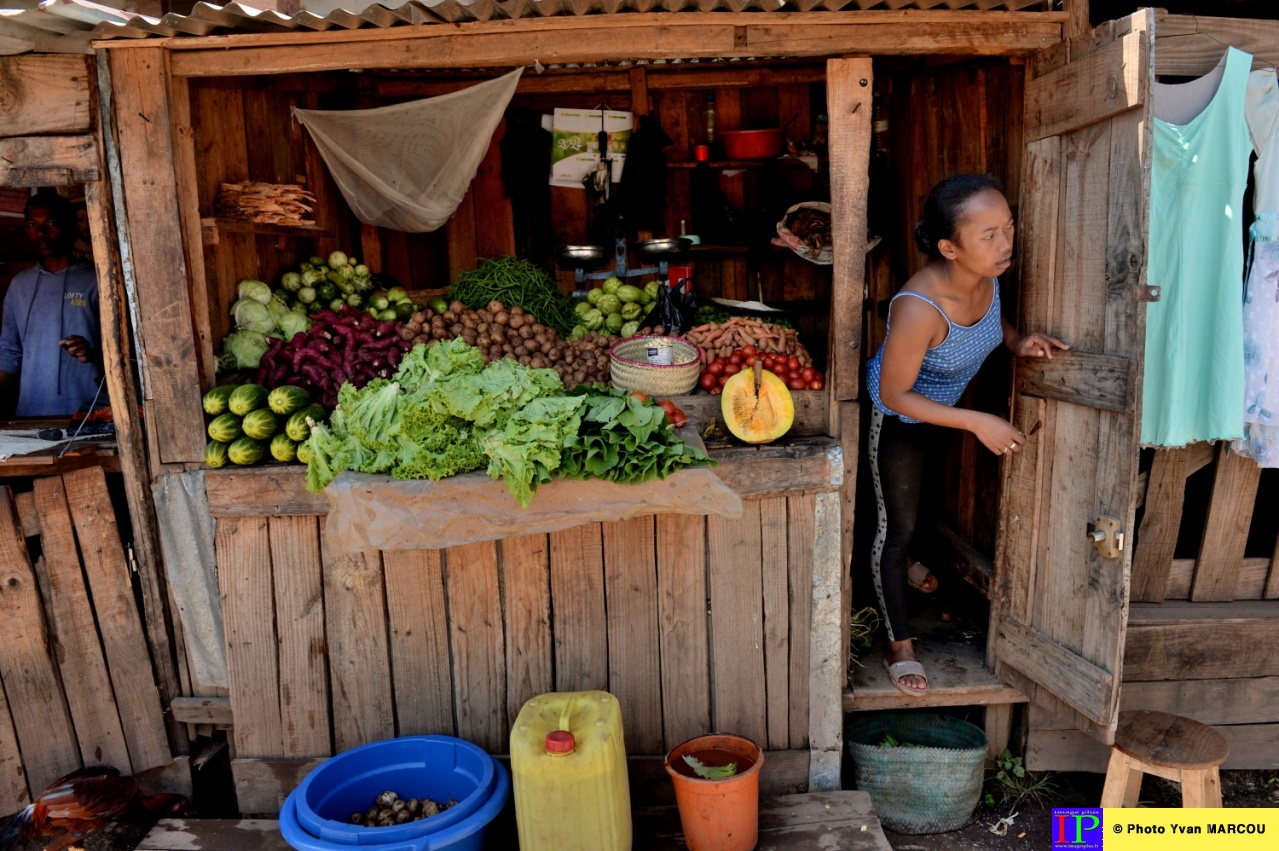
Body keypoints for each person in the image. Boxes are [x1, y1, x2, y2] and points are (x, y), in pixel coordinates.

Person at [865, 174, 1069, 696]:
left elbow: (990, 318)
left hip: (944, 413)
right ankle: (900, 644)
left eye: (1009, 228)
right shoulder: (918, 307)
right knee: (897, 526)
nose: (1006, 245)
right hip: (899, 419)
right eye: (989, 235)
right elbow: (894, 395)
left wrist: (1018, 340)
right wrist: (978, 420)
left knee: (919, 505)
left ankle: (907, 567)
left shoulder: (986, 273)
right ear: (949, 247)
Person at [0, 190, 103, 418]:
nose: (41, 234)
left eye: (52, 223)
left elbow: (128, 353)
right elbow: (9, 353)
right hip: (31, 412)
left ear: (72, 227)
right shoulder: (20, 285)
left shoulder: (97, 282)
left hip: (90, 412)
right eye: (31, 225)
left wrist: (93, 353)